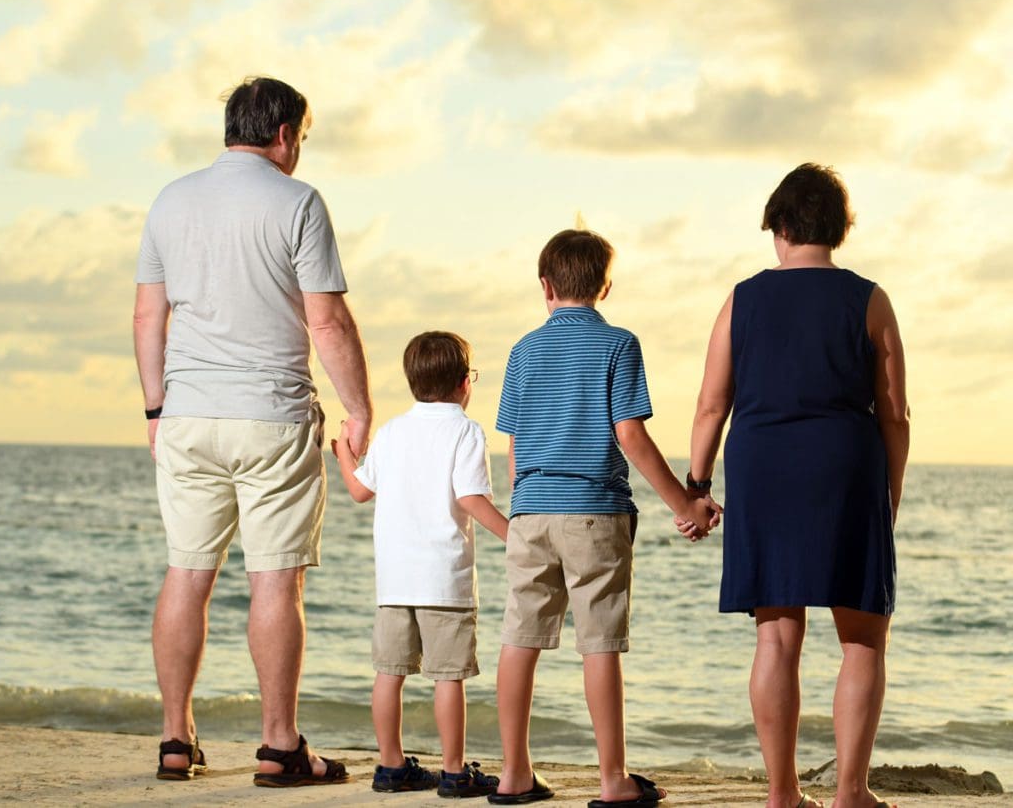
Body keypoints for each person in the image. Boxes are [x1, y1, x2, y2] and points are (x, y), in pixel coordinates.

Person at [133, 76, 373, 787]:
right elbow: (327, 319)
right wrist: (359, 408)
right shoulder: (297, 201)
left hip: (187, 414)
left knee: (188, 571)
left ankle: (176, 739)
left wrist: (155, 409)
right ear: (285, 135)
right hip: (272, 414)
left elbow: (149, 318)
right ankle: (278, 746)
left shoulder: (171, 199)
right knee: (275, 578)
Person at [682, 163, 909, 808]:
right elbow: (894, 413)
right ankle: (850, 792)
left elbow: (709, 405)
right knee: (862, 636)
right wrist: (886, 495)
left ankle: (782, 793)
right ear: (838, 230)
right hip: (845, 465)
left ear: (780, 227)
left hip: (763, 468)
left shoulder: (742, 298)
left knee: (777, 636)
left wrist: (696, 486)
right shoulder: (870, 299)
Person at [490, 229, 720, 806]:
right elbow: (630, 436)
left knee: (520, 638)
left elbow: (515, 448)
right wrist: (684, 504)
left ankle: (514, 774)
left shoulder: (521, 351)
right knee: (599, 645)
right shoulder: (619, 345)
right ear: (605, 286)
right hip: (593, 513)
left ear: (545, 286)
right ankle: (613, 779)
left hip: (528, 512)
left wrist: (525, 508)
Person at [333, 330, 508, 798]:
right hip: (443, 580)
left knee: (389, 672)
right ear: (463, 384)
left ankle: (391, 766)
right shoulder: (465, 431)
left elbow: (358, 490)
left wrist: (344, 455)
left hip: (394, 581)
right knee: (447, 677)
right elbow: (470, 498)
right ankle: (453, 772)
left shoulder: (391, 432)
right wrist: (516, 536)